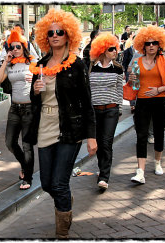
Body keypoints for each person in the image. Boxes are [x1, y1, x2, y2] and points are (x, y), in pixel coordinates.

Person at [26, 8, 97, 238]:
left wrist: (91, 136)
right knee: (47, 183)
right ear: (44, 37)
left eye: (60, 32)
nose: (54, 35)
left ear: (69, 35)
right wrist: (35, 91)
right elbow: (33, 98)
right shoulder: (41, 63)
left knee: (58, 182)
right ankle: (65, 198)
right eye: (50, 33)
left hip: (69, 127)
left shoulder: (76, 64)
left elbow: (87, 102)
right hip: (44, 125)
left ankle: (62, 230)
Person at [129, 26, 165, 184]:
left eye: (154, 43)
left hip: (159, 101)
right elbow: (135, 85)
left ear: (160, 44)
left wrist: (160, 89)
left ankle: (158, 162)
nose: (151, 45)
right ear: (142, 45)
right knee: (141, 135)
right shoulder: (137, 61)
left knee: (159, 133)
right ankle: (140, 172)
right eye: (147, 43)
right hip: (142, 102)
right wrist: (132, 79)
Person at [0, 27, 36, 190]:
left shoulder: (32, 62)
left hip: (28, 109)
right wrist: (5, 60)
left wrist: (33, 78)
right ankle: (24, 165)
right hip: (14, 108)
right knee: (10, 142)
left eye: (18, 46)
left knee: (27, 145)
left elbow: (43, 80)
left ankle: (28, 177)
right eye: (12, 47)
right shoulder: (10, 65)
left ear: (24, 47)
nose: (15, 50)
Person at [89, 33, 123, 190]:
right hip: (95, 111)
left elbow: (119, 89)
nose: (115, 52)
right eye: (111, 49)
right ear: (102, 50)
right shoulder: (90, 67)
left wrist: (120, 107)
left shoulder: (117, 68)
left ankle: (104, 176)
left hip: (111, 110)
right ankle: (102, 167)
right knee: (98, 143)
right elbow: (87, 90)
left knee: (106, 142)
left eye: (115, 49)